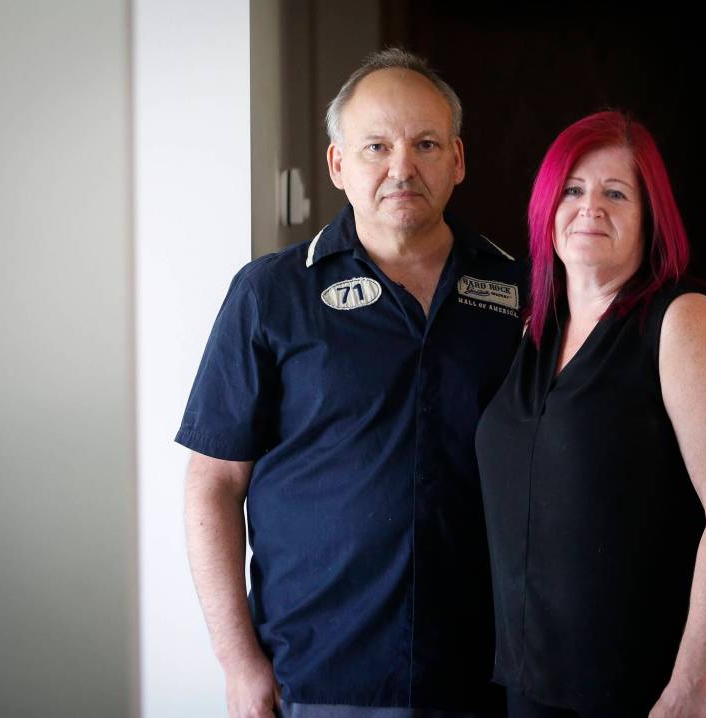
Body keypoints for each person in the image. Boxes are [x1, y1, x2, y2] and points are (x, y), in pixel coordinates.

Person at [177, 48, 524, 718]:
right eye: (375, 146)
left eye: (425, 144)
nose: (403, 167)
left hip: (486, 674)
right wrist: (238, 661)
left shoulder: (522, 292)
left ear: (457, 160)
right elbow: (212, 484)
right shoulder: (270, 294)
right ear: (338, 164)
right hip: (316, 677)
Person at [475, 111, 706, 718]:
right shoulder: (532, 328)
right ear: (547, 208)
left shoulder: (685, 324)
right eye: (573, 190)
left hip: (645, 692)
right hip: (526, 684)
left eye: (615, 193)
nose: (590, 208)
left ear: (650, 218)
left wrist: (690, 688)